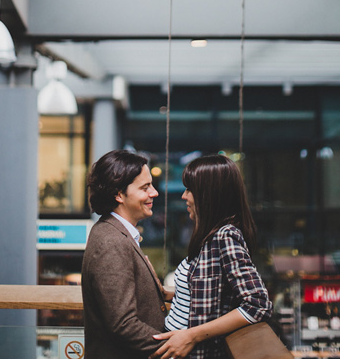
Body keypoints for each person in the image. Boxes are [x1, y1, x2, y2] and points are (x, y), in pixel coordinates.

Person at [151, 154, 273, 359]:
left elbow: (257, 304)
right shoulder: (210, 237)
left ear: (208, 194)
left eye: (189, 189)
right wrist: (167, 293)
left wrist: (191, 336)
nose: (184, 196)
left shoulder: (225, 236)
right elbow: (210, 294)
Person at [82, 150, 167, 359]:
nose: (154, 193)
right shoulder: (112, 242)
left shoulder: (114, 234)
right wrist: (174, 348)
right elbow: (123, 324)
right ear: (119, 194)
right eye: (145, 187)